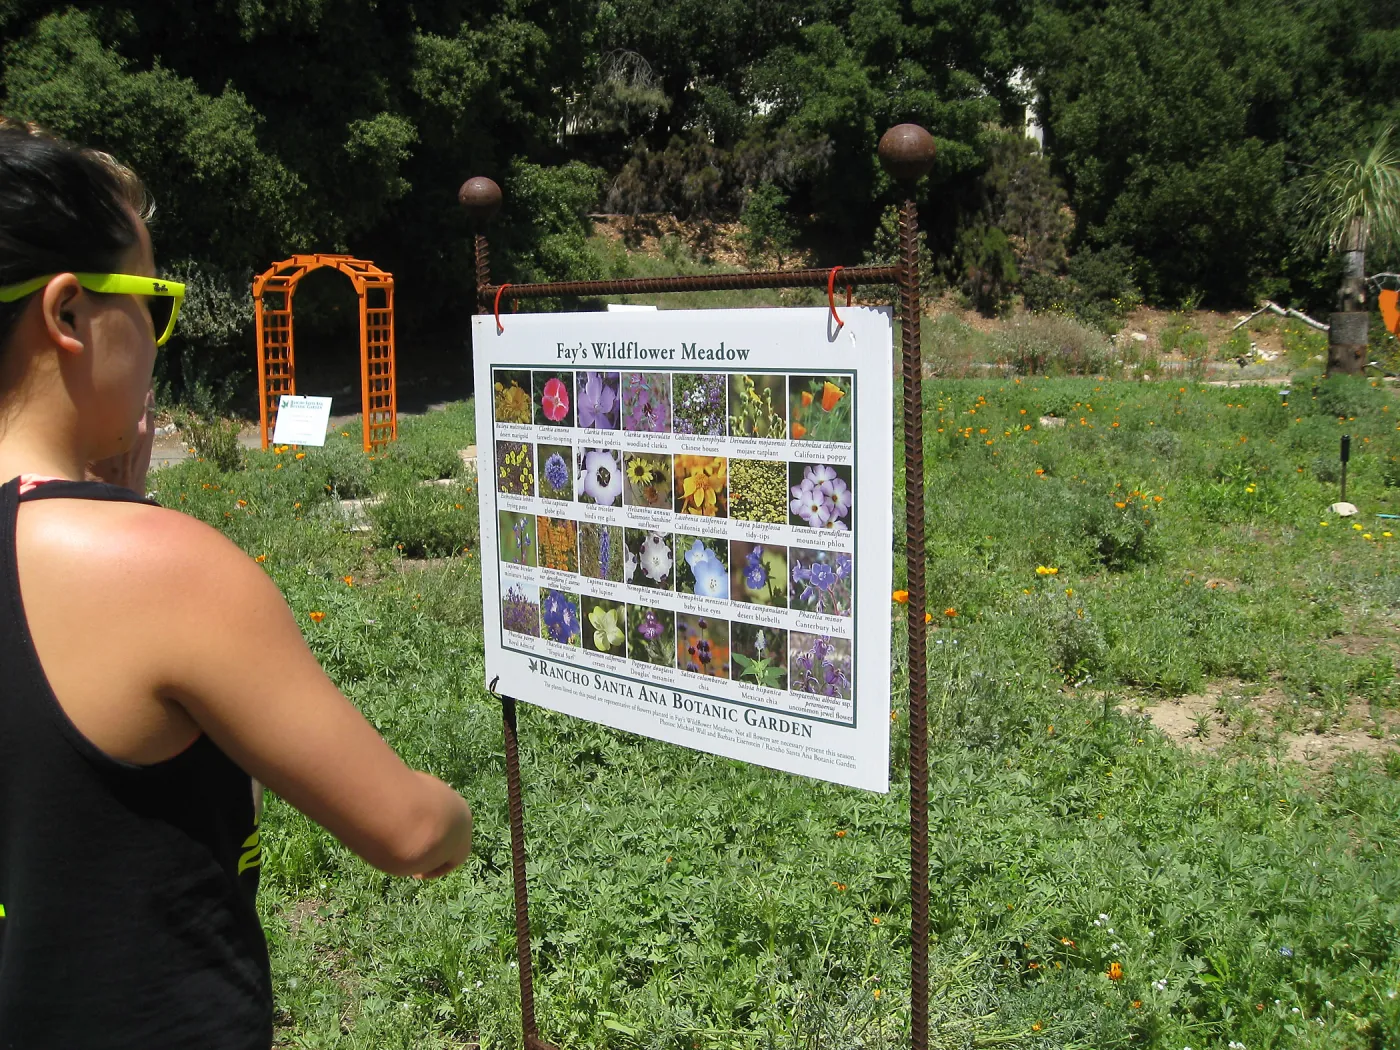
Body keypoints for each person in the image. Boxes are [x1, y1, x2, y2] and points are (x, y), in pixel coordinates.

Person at [0, 122, 474, 1048]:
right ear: (67, 315)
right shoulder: (162, 571)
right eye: (154, 300)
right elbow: (409, 833)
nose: (155, 332)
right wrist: (458, 817)